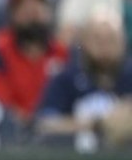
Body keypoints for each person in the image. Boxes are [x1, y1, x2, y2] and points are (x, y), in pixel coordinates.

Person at [36, 8, 132, 148]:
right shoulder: (65, 79)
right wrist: (97, 124)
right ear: (83, 42)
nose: (104, 46)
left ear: (123, 42)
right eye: (97, 39)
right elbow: (44, 125)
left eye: (111, 39)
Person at [0, 0, 69, 125]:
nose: (32, 16)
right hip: (11, 135)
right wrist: (31, 121)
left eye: (37, 10)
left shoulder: (61, 53)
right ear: (13, 15)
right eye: (25, 11)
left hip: (56, 132)